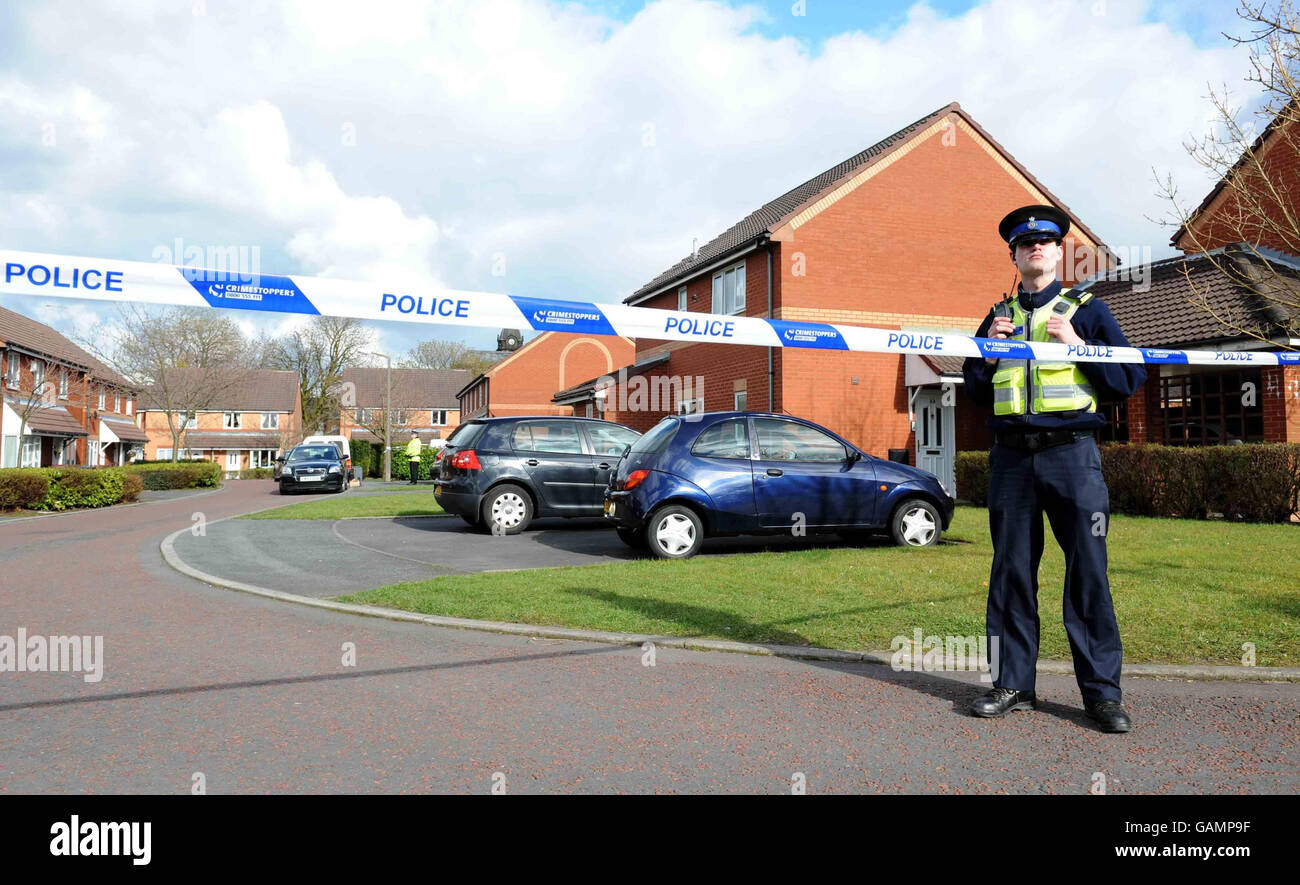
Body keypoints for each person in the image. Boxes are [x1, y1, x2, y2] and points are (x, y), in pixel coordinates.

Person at [961, 205, 1146, 733]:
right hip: (1012, 460)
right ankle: (1012, 683)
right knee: (1011, 572)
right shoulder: (996, 316)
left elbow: (1129, 379)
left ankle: (1102, 696)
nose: (1035, 248)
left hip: (1072, 456)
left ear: (1059, 251)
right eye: (1025, 244)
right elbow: (974, 390)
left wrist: (1081, 347)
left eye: (1044, 241)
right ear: (1014, 255)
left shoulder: (1087, 309)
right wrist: (991, 356)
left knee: (1087, 571)